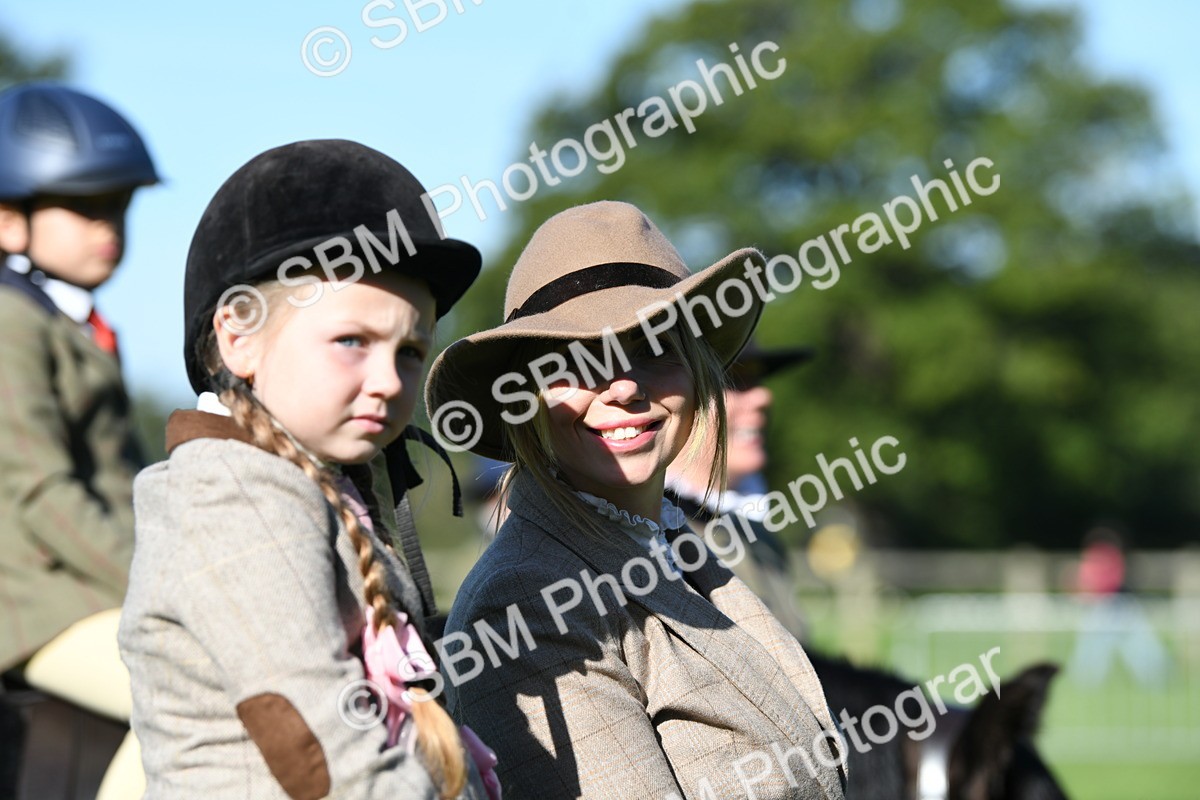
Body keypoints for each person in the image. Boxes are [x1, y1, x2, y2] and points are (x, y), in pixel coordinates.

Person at [117, 140, 500, 799]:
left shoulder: (313, 489)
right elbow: (332, 765)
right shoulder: (233, 497)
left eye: (410, 351)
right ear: (238, 338)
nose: (388, 381)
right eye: (352, 341)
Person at [426, 201, 847, 799]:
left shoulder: (676, 548)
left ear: (697, 372)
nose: (623, 385)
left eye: (654, 347)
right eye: (578, 361)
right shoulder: (527, 602)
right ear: (526, 397)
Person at [0, 82, 159, 798]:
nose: (110, 225)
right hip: (41, 603)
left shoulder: (71, 322)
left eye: (119, 205)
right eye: (85, 206)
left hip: (90, 590)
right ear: (11, 222)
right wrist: (161, 579)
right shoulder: (11, 321)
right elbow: (42, 493)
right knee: (193, 697)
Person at [666, 340, 815, 641]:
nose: (762, 396)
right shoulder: (653, 539)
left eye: (757, 379)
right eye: (733, 380)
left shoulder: (759, 534)